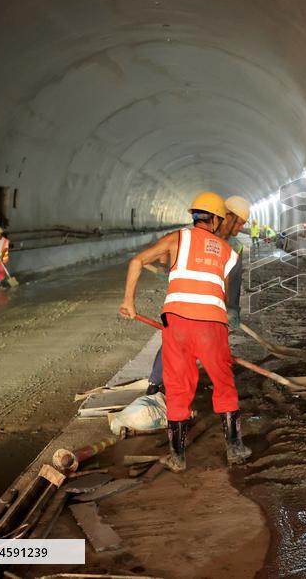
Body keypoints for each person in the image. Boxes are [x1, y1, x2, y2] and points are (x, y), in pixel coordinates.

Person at [119, 192, 251, 471]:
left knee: (178, 387)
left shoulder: (177, 239)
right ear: (216, 220)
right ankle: (235, 448)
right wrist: (228, 314)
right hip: (212, 325)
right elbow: (225, 293)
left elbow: (136, 262)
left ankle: (177, 457)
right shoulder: (228, 251)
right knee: (224, 382)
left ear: (194, 216)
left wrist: (128, 302)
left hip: (177, 324)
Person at [145, 196, 250, 393]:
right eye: (241, 222)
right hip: (189, 297)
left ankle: (212, 382)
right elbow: (168, 243)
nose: (242, 227)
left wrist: (233, 308)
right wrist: (163, 266)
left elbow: (234, 279)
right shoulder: (202, 231)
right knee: (176, 339)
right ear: (228, 217)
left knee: (210, 343)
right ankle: (156, 384)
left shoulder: (236, 246)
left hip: (213, 302)